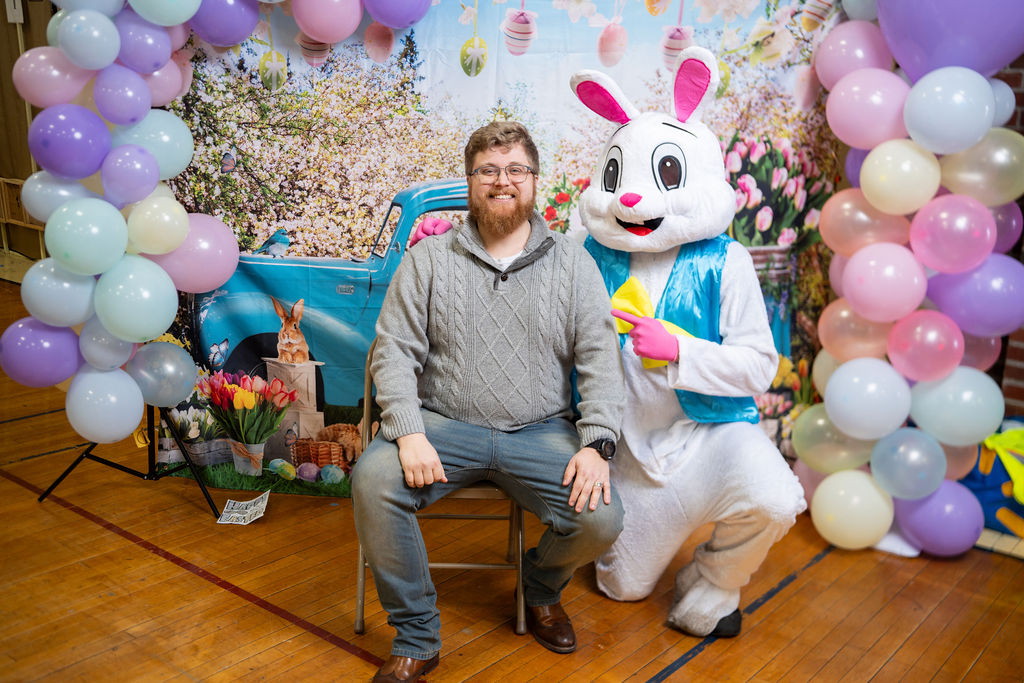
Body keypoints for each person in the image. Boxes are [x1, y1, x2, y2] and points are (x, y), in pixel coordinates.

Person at [352, 121, 625, 683]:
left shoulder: (574, 262)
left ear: (535, 180)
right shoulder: (428, 260)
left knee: (602, 519)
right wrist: (408, 431)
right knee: (373, 481)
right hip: (441, 425)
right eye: (489, 171)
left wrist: (597, 443)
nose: (504, 181)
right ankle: (417, 636)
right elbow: (394, 352)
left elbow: (600, 357)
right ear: (470, 181)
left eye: (516, 169)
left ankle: (539, 588)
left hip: (540, 430)